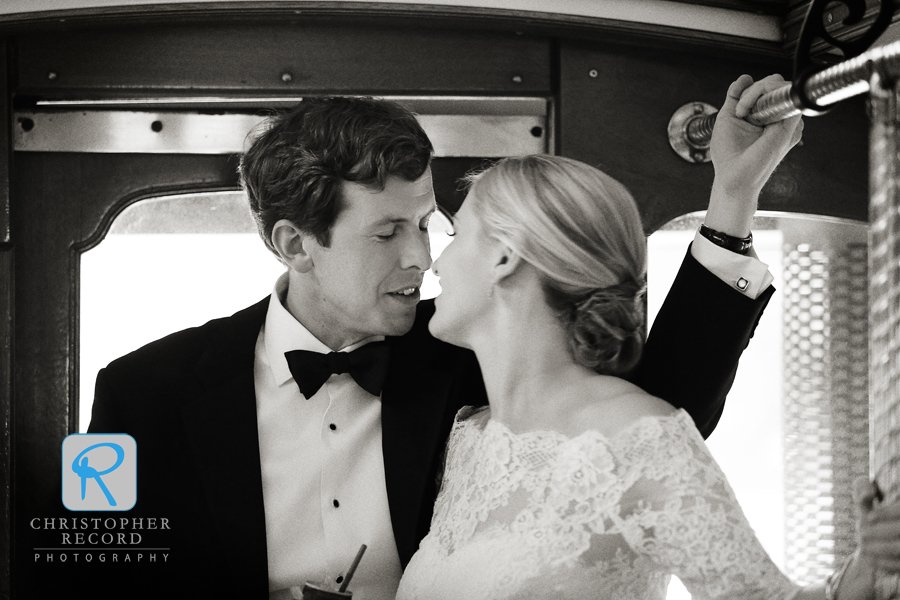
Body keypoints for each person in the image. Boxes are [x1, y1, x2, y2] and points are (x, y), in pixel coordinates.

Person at [80, 76, 780, 599]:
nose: (422, 257)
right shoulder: (141, 394)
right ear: (295, 244)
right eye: (388, 233)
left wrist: (731, 205)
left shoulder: (471, 351)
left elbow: (649, 423)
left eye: (427, 223)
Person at [394, 76, 897, 600]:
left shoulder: (642, 442)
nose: (436, 261)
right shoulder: (470, 437)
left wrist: (867, 571)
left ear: (504, 257)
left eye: (453, 235)